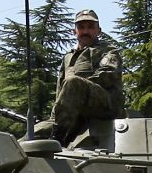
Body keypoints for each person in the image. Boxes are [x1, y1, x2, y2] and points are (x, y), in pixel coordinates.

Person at [49, 10, 123, 146]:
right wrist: (54, 118)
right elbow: (60, 91)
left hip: (105, 105)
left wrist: (79, 89)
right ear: (74, 31)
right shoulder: (68, 57)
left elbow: (108, 75)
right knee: (37, 131)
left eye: (90, 27)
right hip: (73, 113)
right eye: (81, 27)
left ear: (98, 31)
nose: (85, 31)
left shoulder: (108, 51)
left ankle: (57, 140)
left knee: (73, 82)